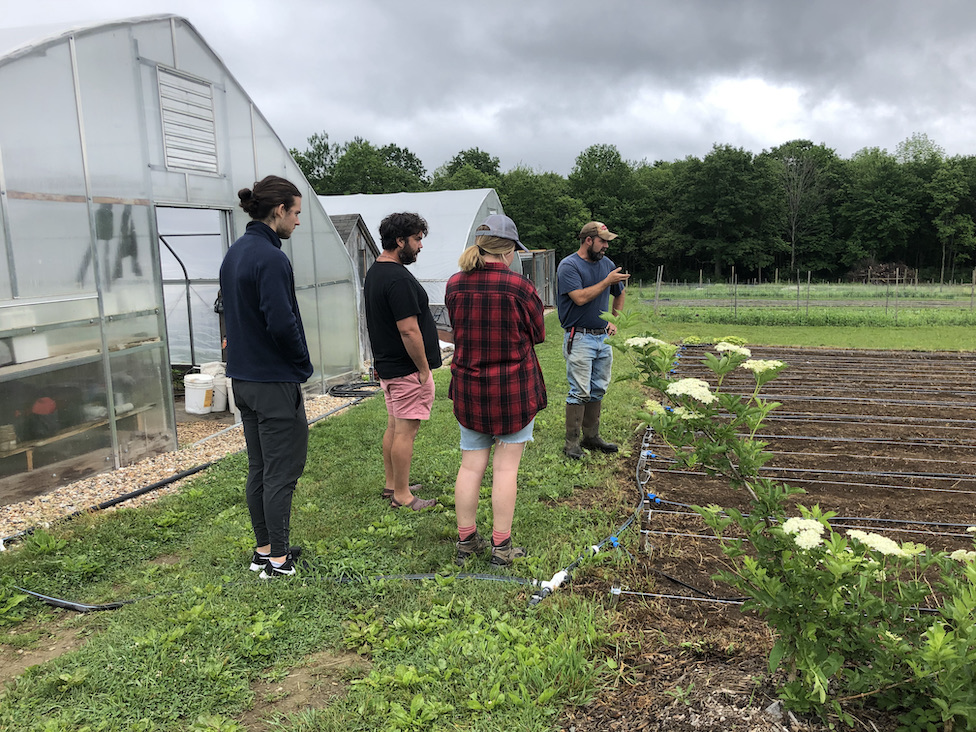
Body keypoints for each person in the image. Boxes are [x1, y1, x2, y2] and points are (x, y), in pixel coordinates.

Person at [219, 175, 312, 579]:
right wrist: (300, 363)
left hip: (243, 379)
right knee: (282, 471)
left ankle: (265, 549)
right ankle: (278, 562)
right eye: (295, 214)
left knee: (259, 467)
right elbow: (281, 323)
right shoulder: (271, 258)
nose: (297, 222)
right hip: (273, 381)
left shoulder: (236, 252)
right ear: (279, 211)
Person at [446, 215, 546, 566]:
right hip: (513, 391)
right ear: (509, 252)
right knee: (505, 470)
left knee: (470, 467)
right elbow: (538, 333)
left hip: (470, 389)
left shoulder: (455, 284)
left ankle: (465, 542)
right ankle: (501, 548)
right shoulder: (520, 287)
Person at [363, 212, 441, 511]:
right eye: (417, 239)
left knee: (395, 427)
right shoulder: (397, 278)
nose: (420, 246)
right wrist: (423, 369)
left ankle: (393, 484)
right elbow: (408, 329)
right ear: (400, 241)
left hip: (389, 367)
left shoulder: (376, 272)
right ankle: (403, 496)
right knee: (405, 432)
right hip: (406, 369)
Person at [556, 221, 630, 459]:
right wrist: (606, 282)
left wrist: (613, 319)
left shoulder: (606, 264)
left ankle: (592, 437)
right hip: (579, 337)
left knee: (598, 388)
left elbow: (620, 293)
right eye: (602, 241)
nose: (606, 246)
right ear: (588, 240)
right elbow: (579, 298)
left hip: (602, 339)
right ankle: (572, 443)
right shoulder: (569, 266)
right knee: (579, 391)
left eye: (607, 242)